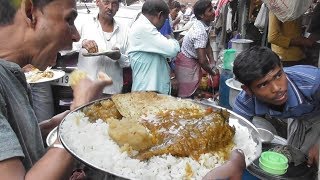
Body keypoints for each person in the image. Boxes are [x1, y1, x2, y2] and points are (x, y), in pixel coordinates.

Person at [0, 0, 112, 179]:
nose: (75, 36)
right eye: (69, 20)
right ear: (30, 13)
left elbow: (18, 143)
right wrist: (78, 115)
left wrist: (51, 126)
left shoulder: (13, 75)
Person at [233, 46, 320, 158]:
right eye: (263, 84)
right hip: (299, 117)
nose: (277, 88)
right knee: (295, 156)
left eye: (278, 75)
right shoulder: (245, 102)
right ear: (248, 90)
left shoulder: (313, 82)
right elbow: (238, 134)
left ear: (282, 68)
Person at [74, 0, 130, 95]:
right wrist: (83, 43)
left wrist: (119, 57)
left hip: (112, 91)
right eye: (106, 2)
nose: (110, 7)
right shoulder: (84, 24)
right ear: (97, 2)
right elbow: (66, 47)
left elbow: (129, 62)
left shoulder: (125, 30)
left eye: (114, 3)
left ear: (118, 7)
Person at [128, 0, 180, 95]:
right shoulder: (144, 28)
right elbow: (173, 50)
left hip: (149, 90)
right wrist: (172, 39)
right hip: (147, 91)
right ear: (160, 15)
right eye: (164, 20)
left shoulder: (143, 25)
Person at [175, 0, 218, 98]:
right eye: (210, 10)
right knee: (185, 95)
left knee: (191, 89)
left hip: (190, 60)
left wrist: (212, 62)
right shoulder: (200, 31)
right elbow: (202, 61)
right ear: (202, 15)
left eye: (213, 9)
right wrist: (212, 73)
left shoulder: (205, 25)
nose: (214, 12)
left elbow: (207, 45)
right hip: (187, 63)